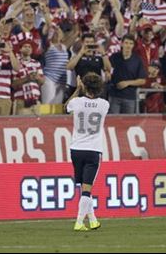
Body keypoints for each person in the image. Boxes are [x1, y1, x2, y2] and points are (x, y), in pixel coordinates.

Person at [65, 72, 109, 232]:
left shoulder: (76, 102)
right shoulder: (104, 105)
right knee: (87, 188)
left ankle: (93, 220)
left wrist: (77, 89)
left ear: (84, 85)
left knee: (82, 187)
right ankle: (78, 222)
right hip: (93, 149)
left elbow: (66, 107)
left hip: (76, 148)